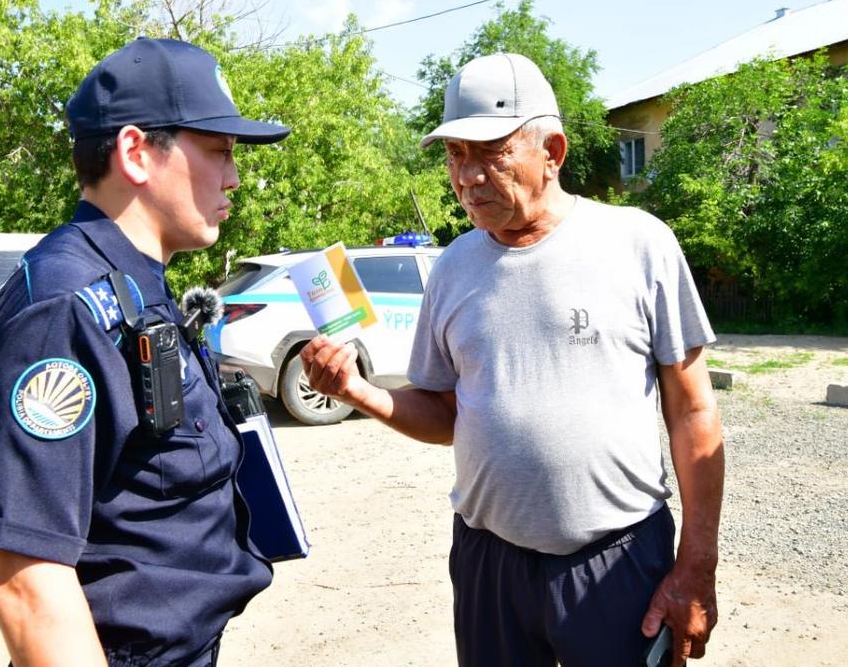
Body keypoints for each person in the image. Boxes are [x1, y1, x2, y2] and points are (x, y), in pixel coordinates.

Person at [302, 52, 724, 667]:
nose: (467, 176)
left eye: (489, 152)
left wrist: (696, 566)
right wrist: (358, 391)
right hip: (488, 566)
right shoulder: (452, 269)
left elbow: (693, 414)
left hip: (619, 561)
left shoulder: (638, 244)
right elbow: (449, 413)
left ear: (552, 151)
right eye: (454, 155)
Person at [0, 38, 290, 667]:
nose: (235, 175)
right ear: (137, 153)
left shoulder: (138, 280)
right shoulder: (63, 310)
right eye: (219, 150)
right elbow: (27, 581)